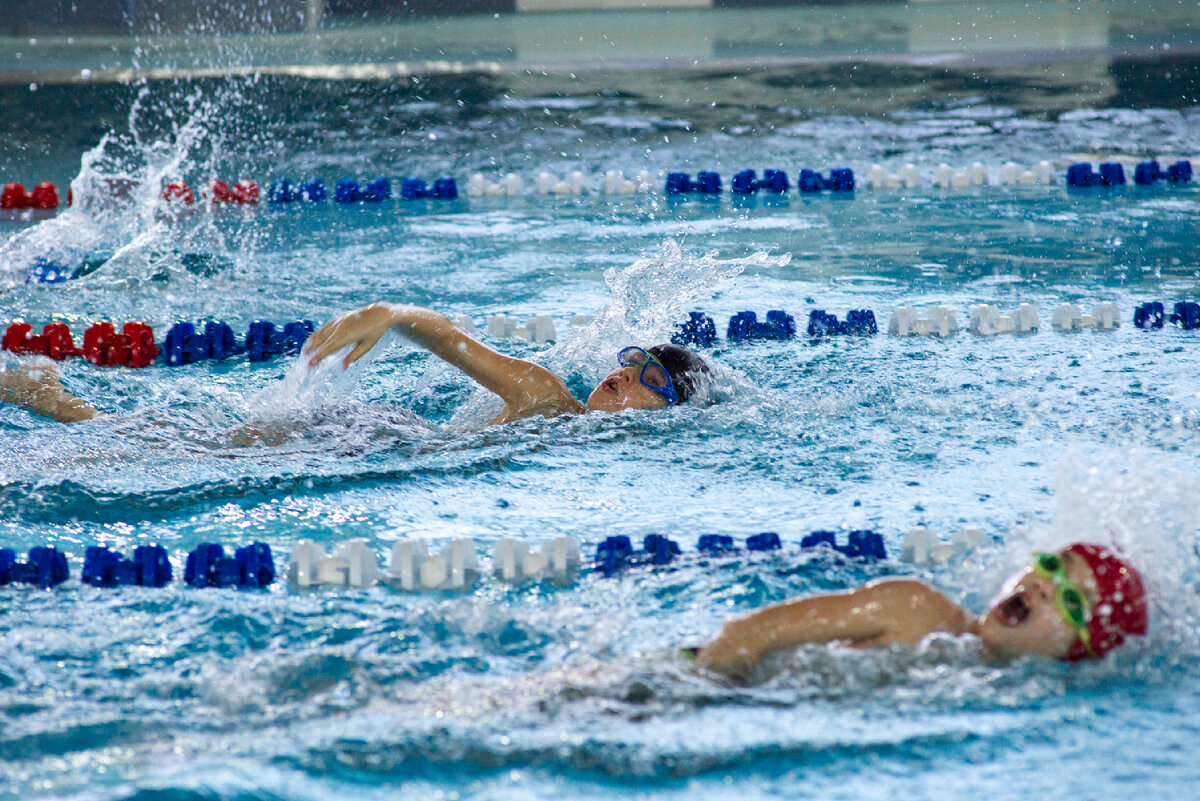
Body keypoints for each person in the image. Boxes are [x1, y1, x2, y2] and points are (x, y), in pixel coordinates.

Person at [0, 302, 712, 425]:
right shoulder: (550, 397)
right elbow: (452, 340)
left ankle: (58, 400)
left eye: (651, 381)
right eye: (631, 361)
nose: (624, 375)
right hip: (367, 432)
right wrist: (390, 314)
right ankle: (56, 400)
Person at [694, 543, 1148, 682]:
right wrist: (707, 694)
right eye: (1052, 567)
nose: (1045, 588)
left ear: (1076, 650)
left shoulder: (985, 691)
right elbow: (746, 634)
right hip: (690, 682)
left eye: (1074, 601)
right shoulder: (916, 609)